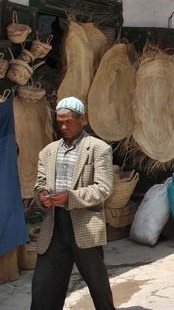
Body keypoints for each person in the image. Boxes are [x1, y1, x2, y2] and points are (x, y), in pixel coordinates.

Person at [31, 97, 115, 310]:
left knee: (97, 284)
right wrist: (41, 194)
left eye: (69, 121)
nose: (64, 127)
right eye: (60, 122)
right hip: (55, 225)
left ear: (82, 119)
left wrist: (71, 197)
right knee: (44, 285)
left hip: (84, 224)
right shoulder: (48, 151)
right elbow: (40, 182)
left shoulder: (98, 149)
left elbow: (103, 188)